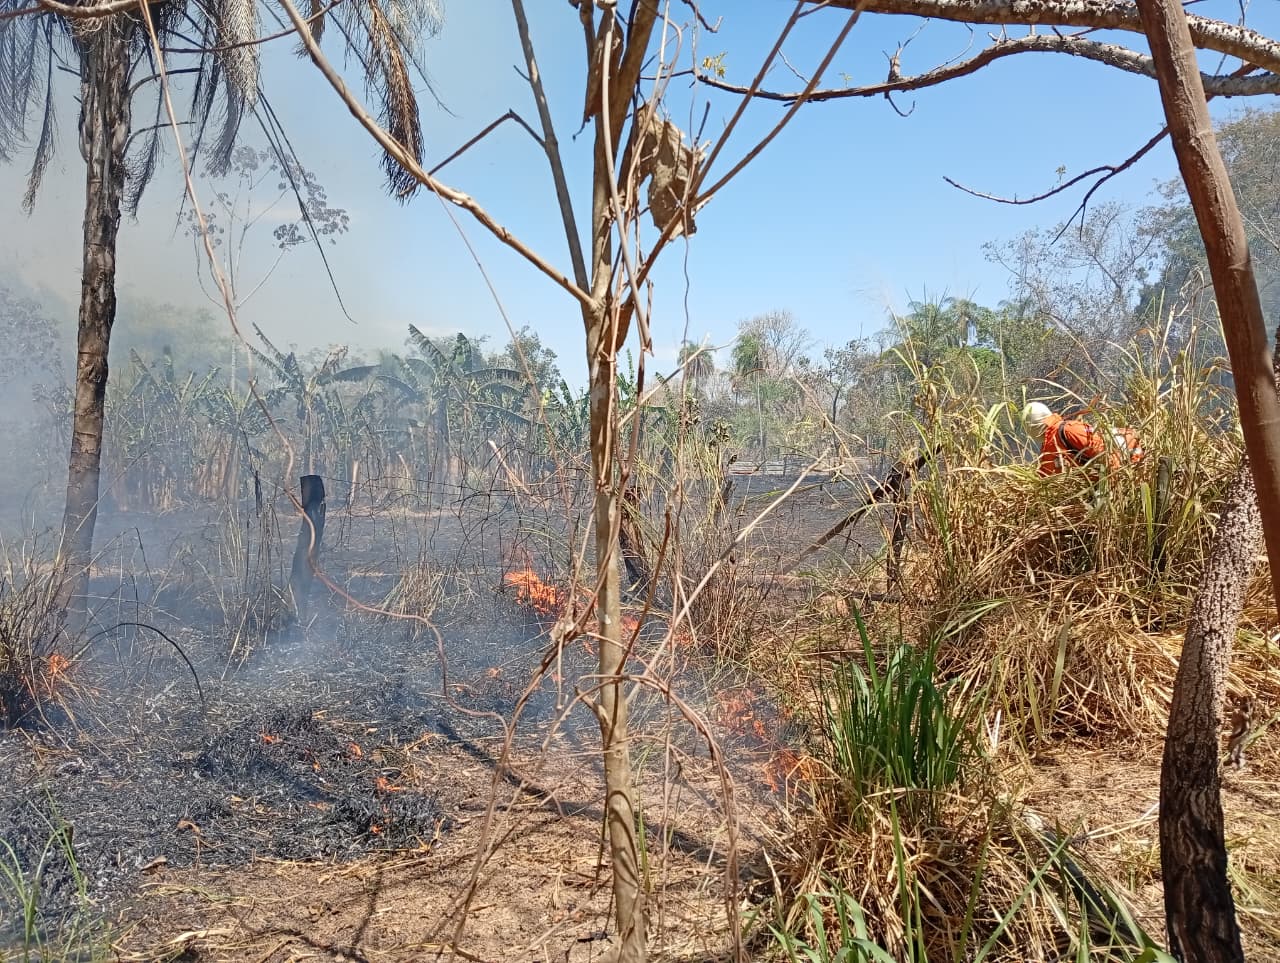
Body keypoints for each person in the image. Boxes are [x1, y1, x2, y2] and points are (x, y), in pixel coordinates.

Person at [1021, 402, 1142, 476]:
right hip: (1103, 480)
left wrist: (1111, 494)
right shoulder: (1047, 449)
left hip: (1132, 462)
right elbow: (1045, 477)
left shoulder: (1068, 431)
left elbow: (1108, 455)